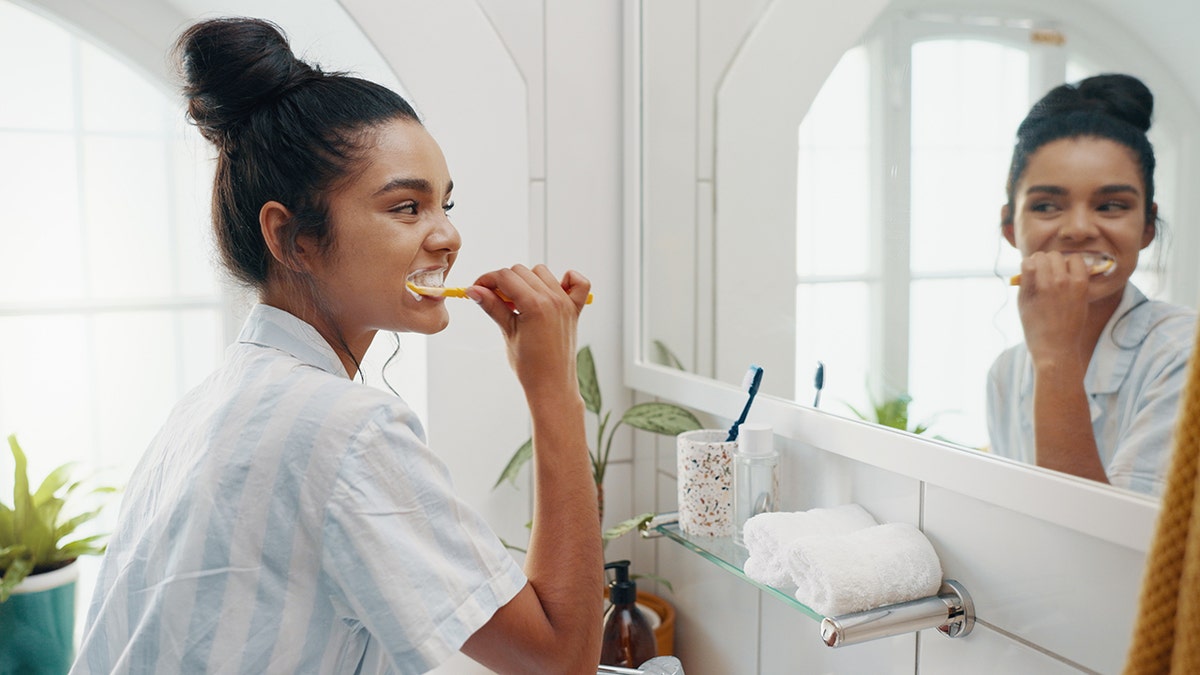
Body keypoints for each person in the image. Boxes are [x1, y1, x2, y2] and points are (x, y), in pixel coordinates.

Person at [71, 17, 602, 675]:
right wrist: (554, 390)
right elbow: (562, 659)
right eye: (408, 208)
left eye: (446, 204)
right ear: (292, 238)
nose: (447, 236)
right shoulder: (344, 430)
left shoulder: (217, 401)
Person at [987, 73, 1197, 497]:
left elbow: (1110, 552)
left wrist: (1056, 358)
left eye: (1111, 205)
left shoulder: (1186, 357)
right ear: (1010, 226)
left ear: (1146, 228)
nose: (1079, 229)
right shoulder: (1005, 373)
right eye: (1046, 205)